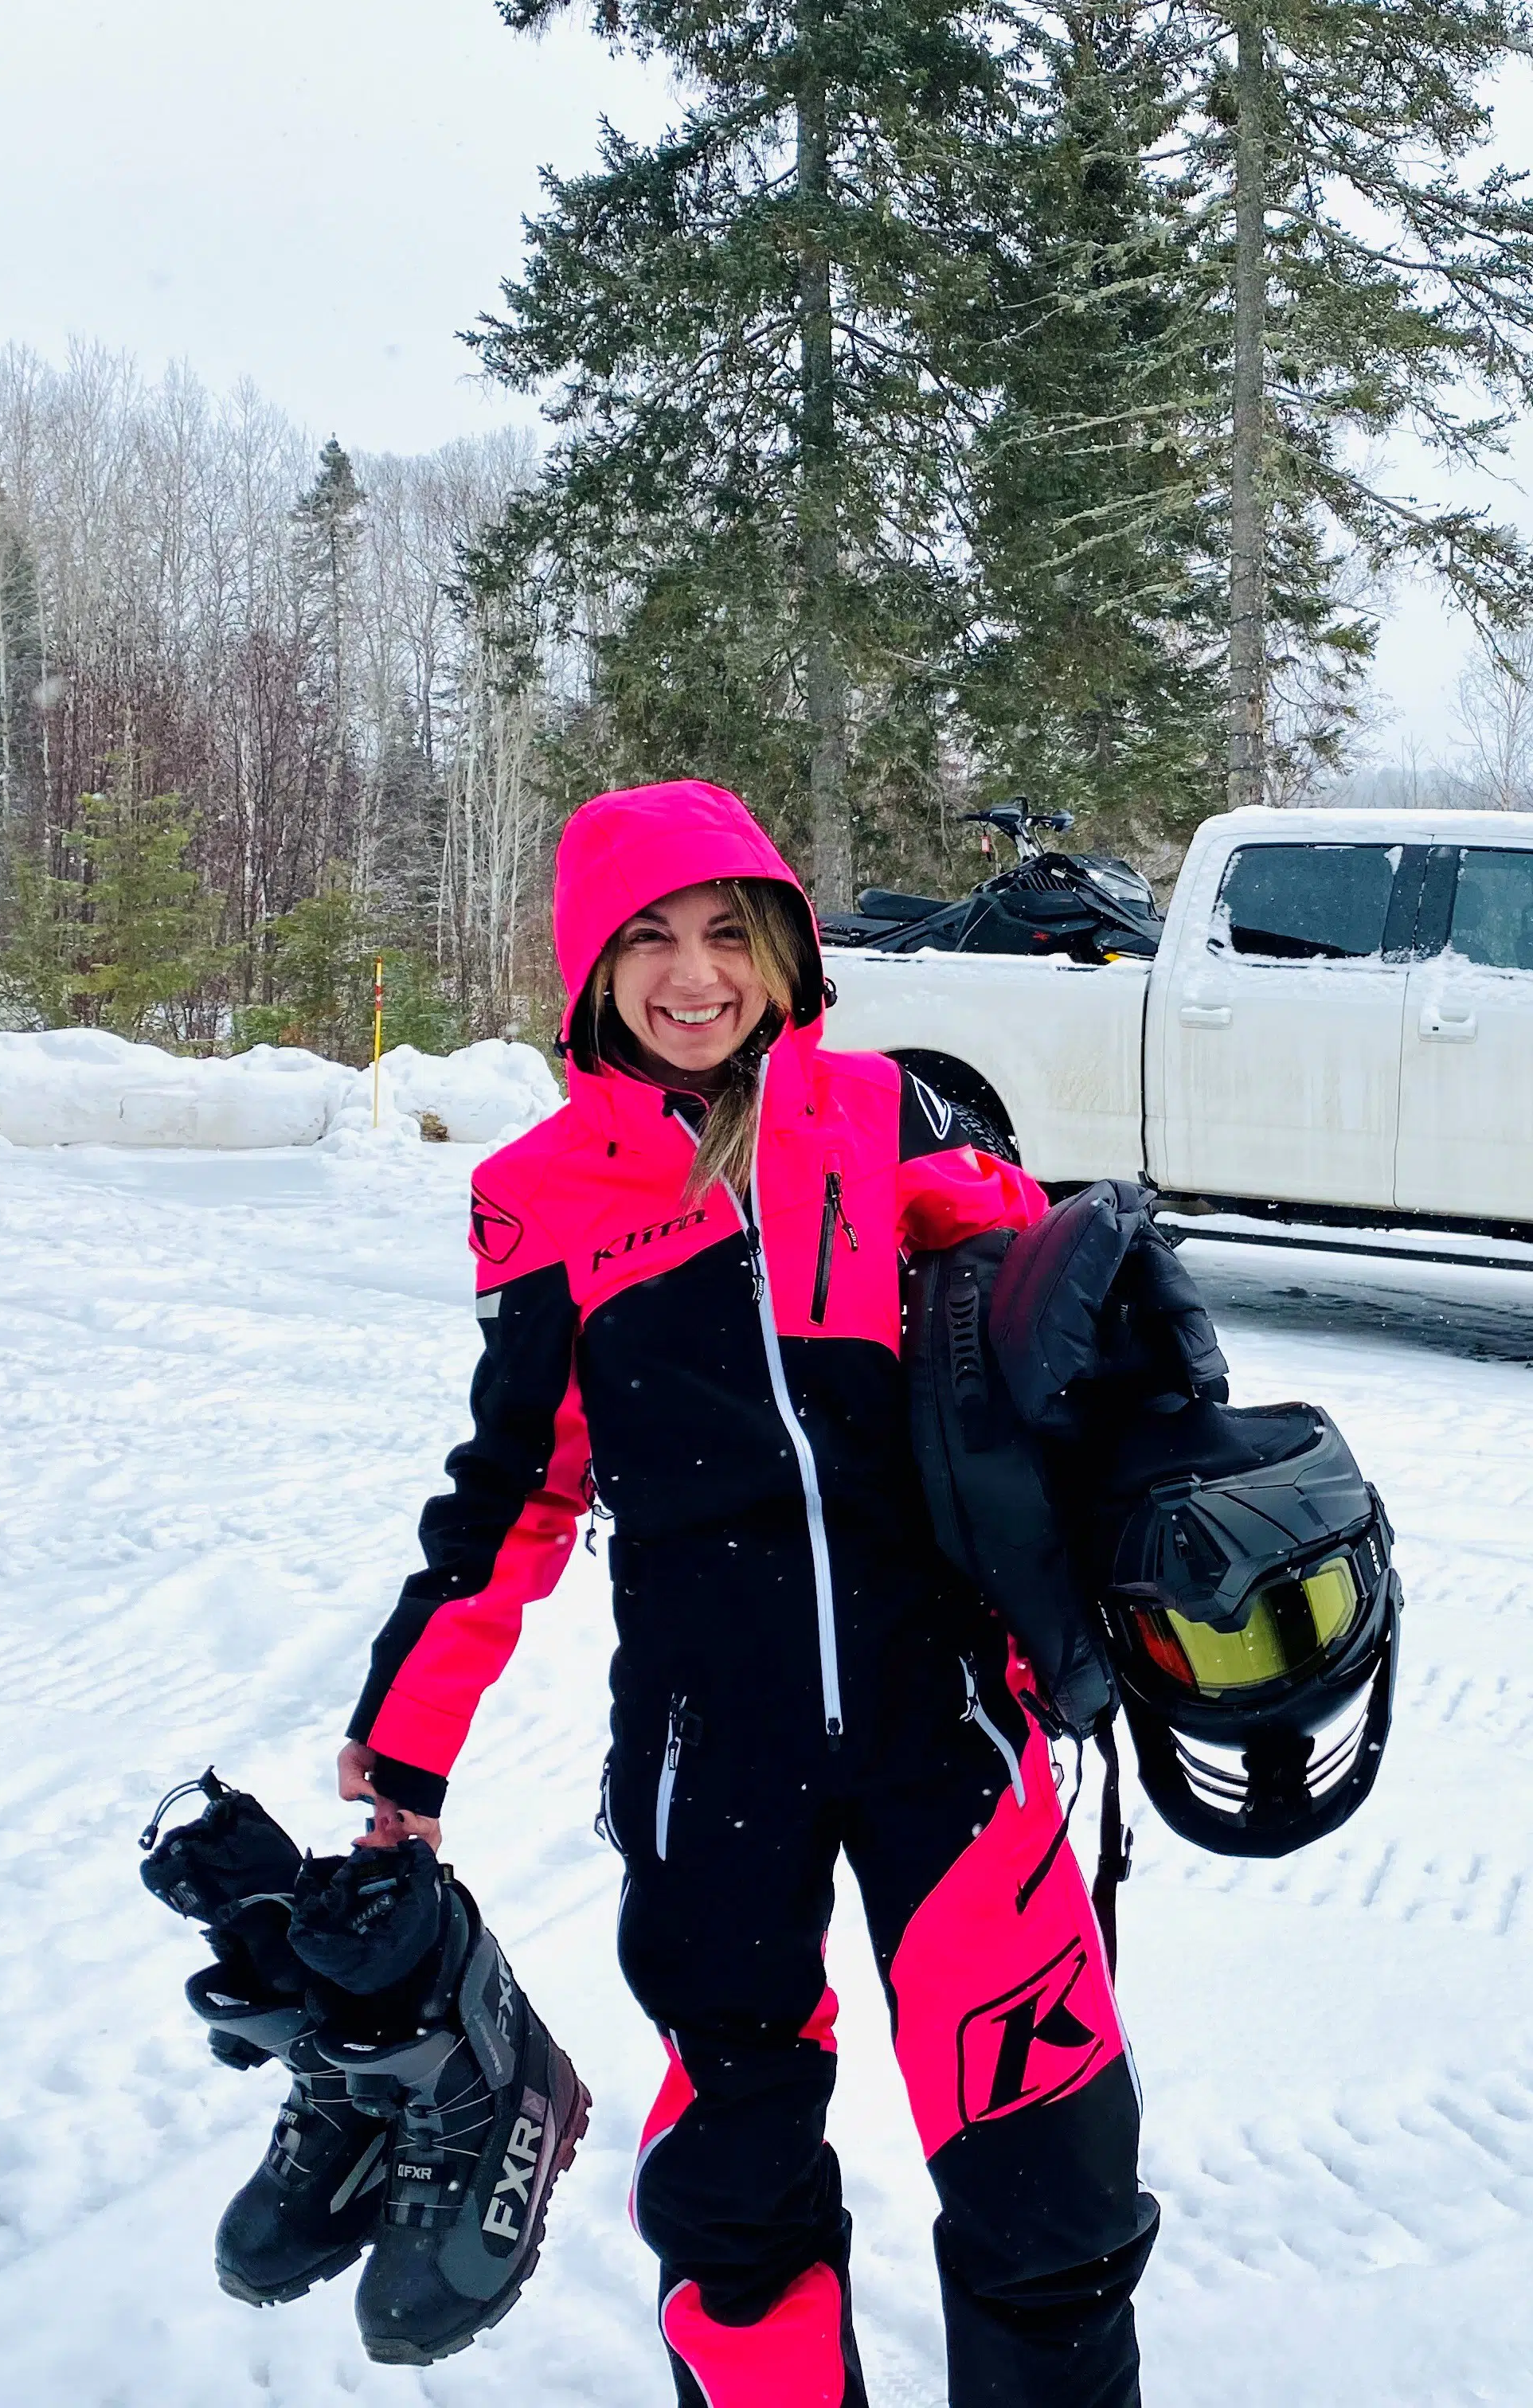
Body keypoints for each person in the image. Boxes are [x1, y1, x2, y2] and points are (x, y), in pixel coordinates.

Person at [339, 779, 1155, 2406]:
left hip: (949, 1729)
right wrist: (406, 1751)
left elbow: (1057, 1321)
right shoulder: (543, 1196)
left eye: (729, 931)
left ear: (785, 949)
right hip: (711, 1756)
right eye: (648, 940)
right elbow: (511, 1498)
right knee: (737, 2194)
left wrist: (1162, 1470)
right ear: (590, 972)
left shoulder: (879, 1115)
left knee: (1050, 2168)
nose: (694, 974)